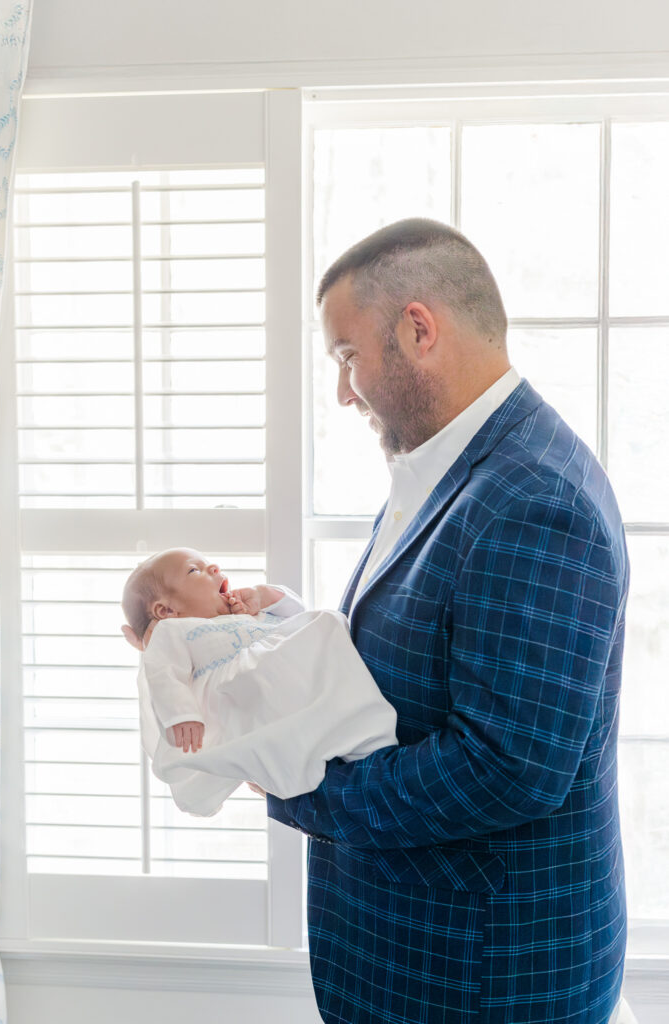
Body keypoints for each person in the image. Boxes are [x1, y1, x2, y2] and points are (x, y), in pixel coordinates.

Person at [266, 218, 630, 1024]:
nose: (340, 390)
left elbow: (505, 767)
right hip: (423, 956)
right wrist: (283, 635)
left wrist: (297, 784)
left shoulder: (534, 498)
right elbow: (419, 656)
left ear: (417, 329)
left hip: (480, 979)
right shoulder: (449, 464)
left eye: (346, 357)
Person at [121, 548, 397, 816]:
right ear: (166, 610)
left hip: (286, 680)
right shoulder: (174, 630)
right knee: (268, 726)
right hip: (244, 693)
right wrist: (181, 713)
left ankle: (357, 732)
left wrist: (262, 596)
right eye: (195, 570)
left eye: (210, 564)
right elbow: (163, 672)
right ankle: (311, 765)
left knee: (325, 622)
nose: (214, 568)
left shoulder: (245, 611)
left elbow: (297, 613)